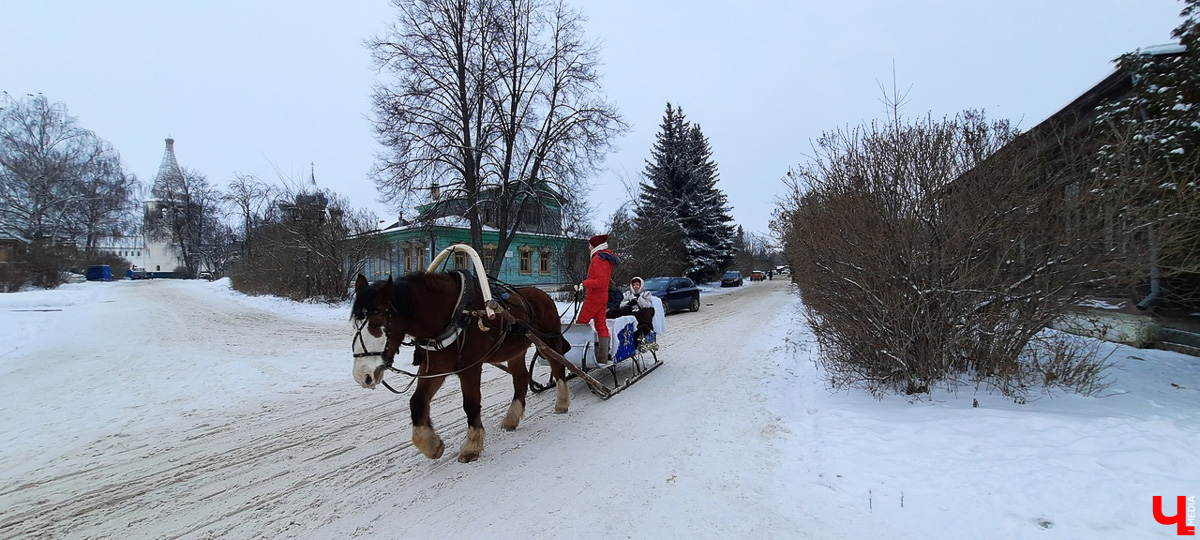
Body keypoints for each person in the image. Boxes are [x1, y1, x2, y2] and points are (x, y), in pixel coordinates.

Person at [576, 234, 619, 366]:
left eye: (590, 244)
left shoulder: (598, 259)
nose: (588, 247)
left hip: (594, 297)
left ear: (595, 245)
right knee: (601, 325)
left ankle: (578, 356)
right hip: (601, 297)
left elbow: (600, 281)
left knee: (580, 324)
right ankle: (602, 357)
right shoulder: (603, 258)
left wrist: (584, 284)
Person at [607, 276, 657, 348]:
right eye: (634, 285)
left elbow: (647, 305)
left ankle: (642, 331)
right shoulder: (628, 294)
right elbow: (622, 304)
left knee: (646, 312)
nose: (635, 287)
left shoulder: (646, 293)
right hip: (631, 311)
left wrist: (639, 299)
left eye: (637, 285)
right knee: (617, 311)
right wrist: (630, 303)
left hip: (641, 311)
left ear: (640, 285)